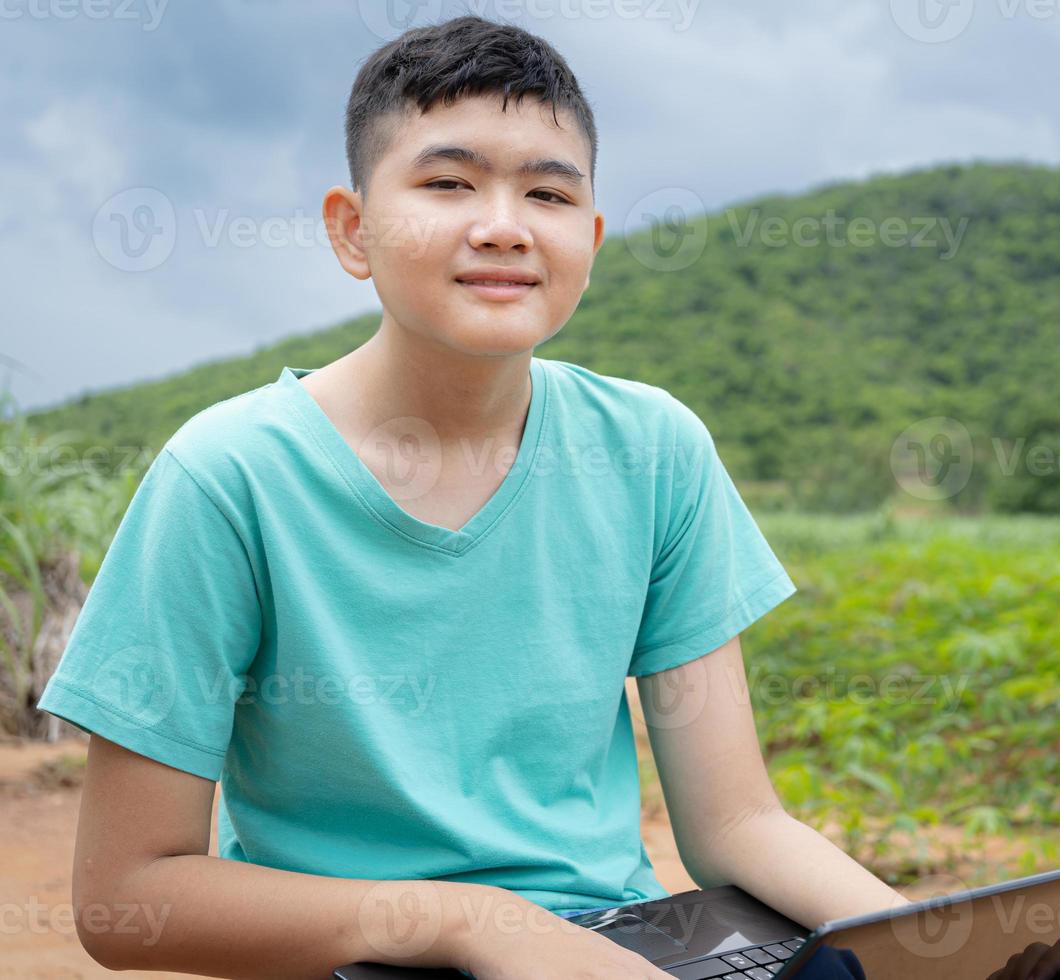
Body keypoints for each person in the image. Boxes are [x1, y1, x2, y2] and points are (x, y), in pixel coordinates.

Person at [37, 15, 973, 980]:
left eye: (548, 192)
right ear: (352, 231)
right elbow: (129, 896)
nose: (504, 224)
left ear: (591, 238)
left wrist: (949, 946)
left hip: (613, 950)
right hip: (362, 959)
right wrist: (481, 924)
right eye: (448, 183)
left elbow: (738, 822)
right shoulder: (228, 478)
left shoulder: (653, 452)